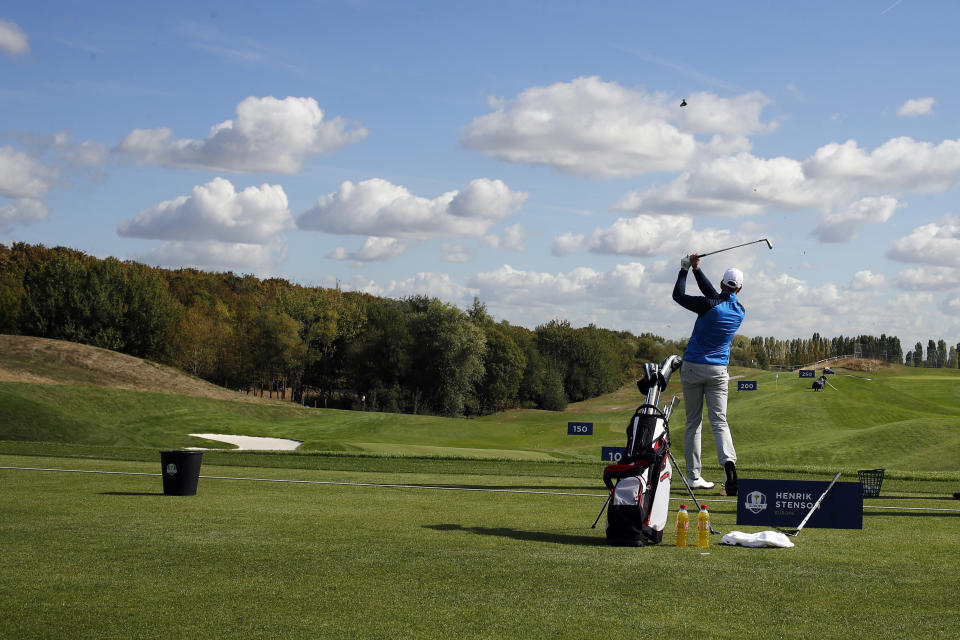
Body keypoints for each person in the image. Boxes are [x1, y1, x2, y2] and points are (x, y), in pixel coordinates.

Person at [672, 253, 744, 496]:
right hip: (718, 372)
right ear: (740, 289)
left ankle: (694, 476)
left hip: (693, 367)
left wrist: (684, 269)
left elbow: (678, 296)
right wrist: (696, 269)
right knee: (719, 421)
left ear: (723, 283)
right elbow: (717, 296)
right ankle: (729, 465)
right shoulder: (740, 311)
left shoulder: (707, 305)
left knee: (694, 423)